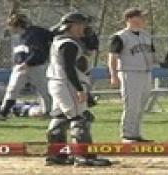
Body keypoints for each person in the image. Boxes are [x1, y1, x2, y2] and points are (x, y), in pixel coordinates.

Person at [46, 12, 111, 166]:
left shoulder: (63, 40)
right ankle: (84, 157)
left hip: (59, 83)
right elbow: (68, 68)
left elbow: (90, 47)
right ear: (72, 26)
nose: (84, 28)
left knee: (60, 118)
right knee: (80, 119)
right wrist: (79, 89)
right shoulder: (68, 43)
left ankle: (57, 155)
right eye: (81, 24)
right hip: (67, 83)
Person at [108, 8, 157, 142]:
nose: (143, 20)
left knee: (141, 105)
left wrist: (167, 62)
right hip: (129, 73)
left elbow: (152, 57)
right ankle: (127, 134)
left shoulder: (146, 36)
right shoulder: (120, 36)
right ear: (130, 19)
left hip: (146, 73)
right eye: (140, 17)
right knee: (131, 105)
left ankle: (136, 134)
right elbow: (112, 57)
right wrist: (113, 75)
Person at [0, 14, 52, 118]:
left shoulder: (33, 33)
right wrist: (19, 63)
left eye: (11, 26)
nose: (10, 29)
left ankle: (48, 111)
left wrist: (27, 63)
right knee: (12, 88)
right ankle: (3, 112)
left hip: (36, 66)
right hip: (20, 66)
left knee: (44, 90)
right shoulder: (18, 37)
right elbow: (19, 52)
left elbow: (38, 51)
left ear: (17, 25)